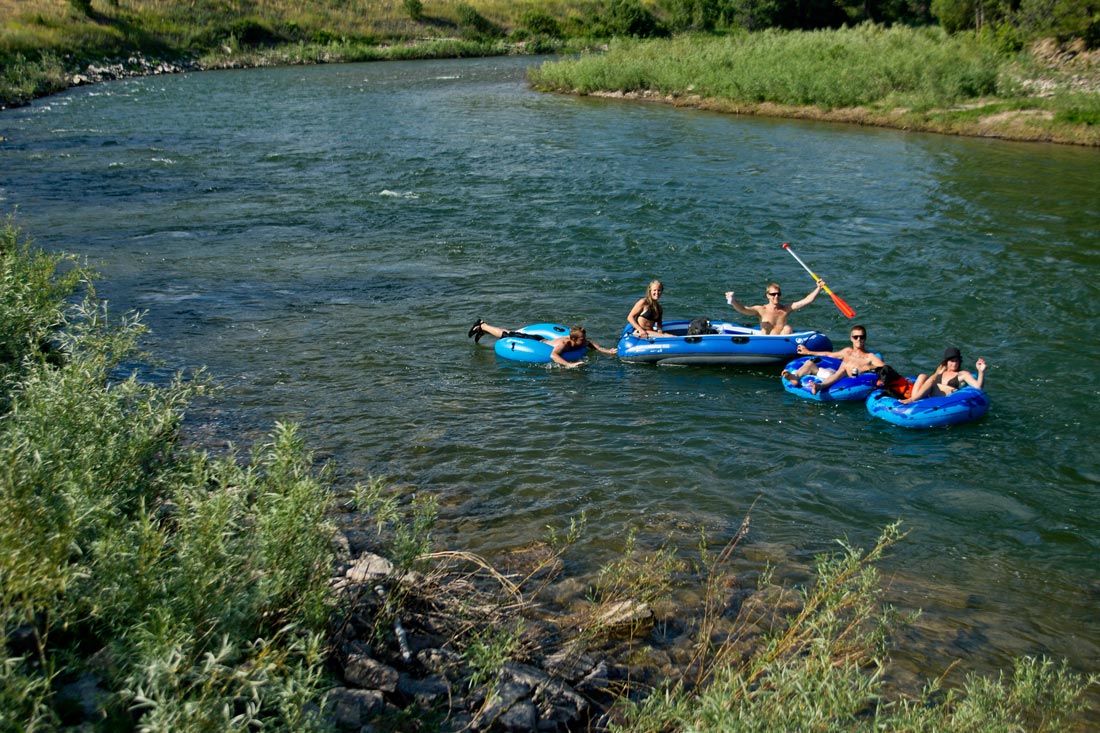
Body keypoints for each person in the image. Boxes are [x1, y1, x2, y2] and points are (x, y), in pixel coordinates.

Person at [467, 320, 616, 368]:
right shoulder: (564, 344)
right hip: (536, 342)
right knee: (507, 335)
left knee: (510, 332)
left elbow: (591, 344)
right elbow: (554, 355)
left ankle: (485, 330)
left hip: (541, 339)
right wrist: (570, 365)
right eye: (582, 339)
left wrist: (606, 351)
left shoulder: (581, 342)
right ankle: (483, 325)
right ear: (574, 340)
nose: (585, 340)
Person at [789, 325, 886, 395]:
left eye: (862, 337)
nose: (858, 339)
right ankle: (795, 377)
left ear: (865, 339)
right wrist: (808, 352)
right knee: (809, 363)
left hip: (846, 382)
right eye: (855, 337)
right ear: (851, 339)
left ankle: (819, 386)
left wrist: (868, 367)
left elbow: (885, 368)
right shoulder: (847, 351)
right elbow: (829, 354)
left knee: (842, 371)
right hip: (833, 375)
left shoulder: (870, 357)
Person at [724, 280, 825, 335]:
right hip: (766, 342)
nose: (776, 296)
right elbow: (743, 309)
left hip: (782, 342)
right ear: (768, 295)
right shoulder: (761, 310)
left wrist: (819, 288)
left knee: (787, 328)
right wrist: (733, 301)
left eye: (778, 294)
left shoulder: (786, 308)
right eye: (773, 294)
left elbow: (807, 300)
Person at [903, 346, 987, 402]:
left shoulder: (962, 374)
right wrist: (937, 373)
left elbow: (978, 387)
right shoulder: (941, 370)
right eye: (952, 361)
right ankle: (913, 400)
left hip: (944, 401)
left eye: (957, 361)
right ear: (946, 361)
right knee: (922, 376)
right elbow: (931, 380)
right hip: (929, 397)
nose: (954, 364)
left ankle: (912, 400)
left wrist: (981, 371)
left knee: (932, 383)